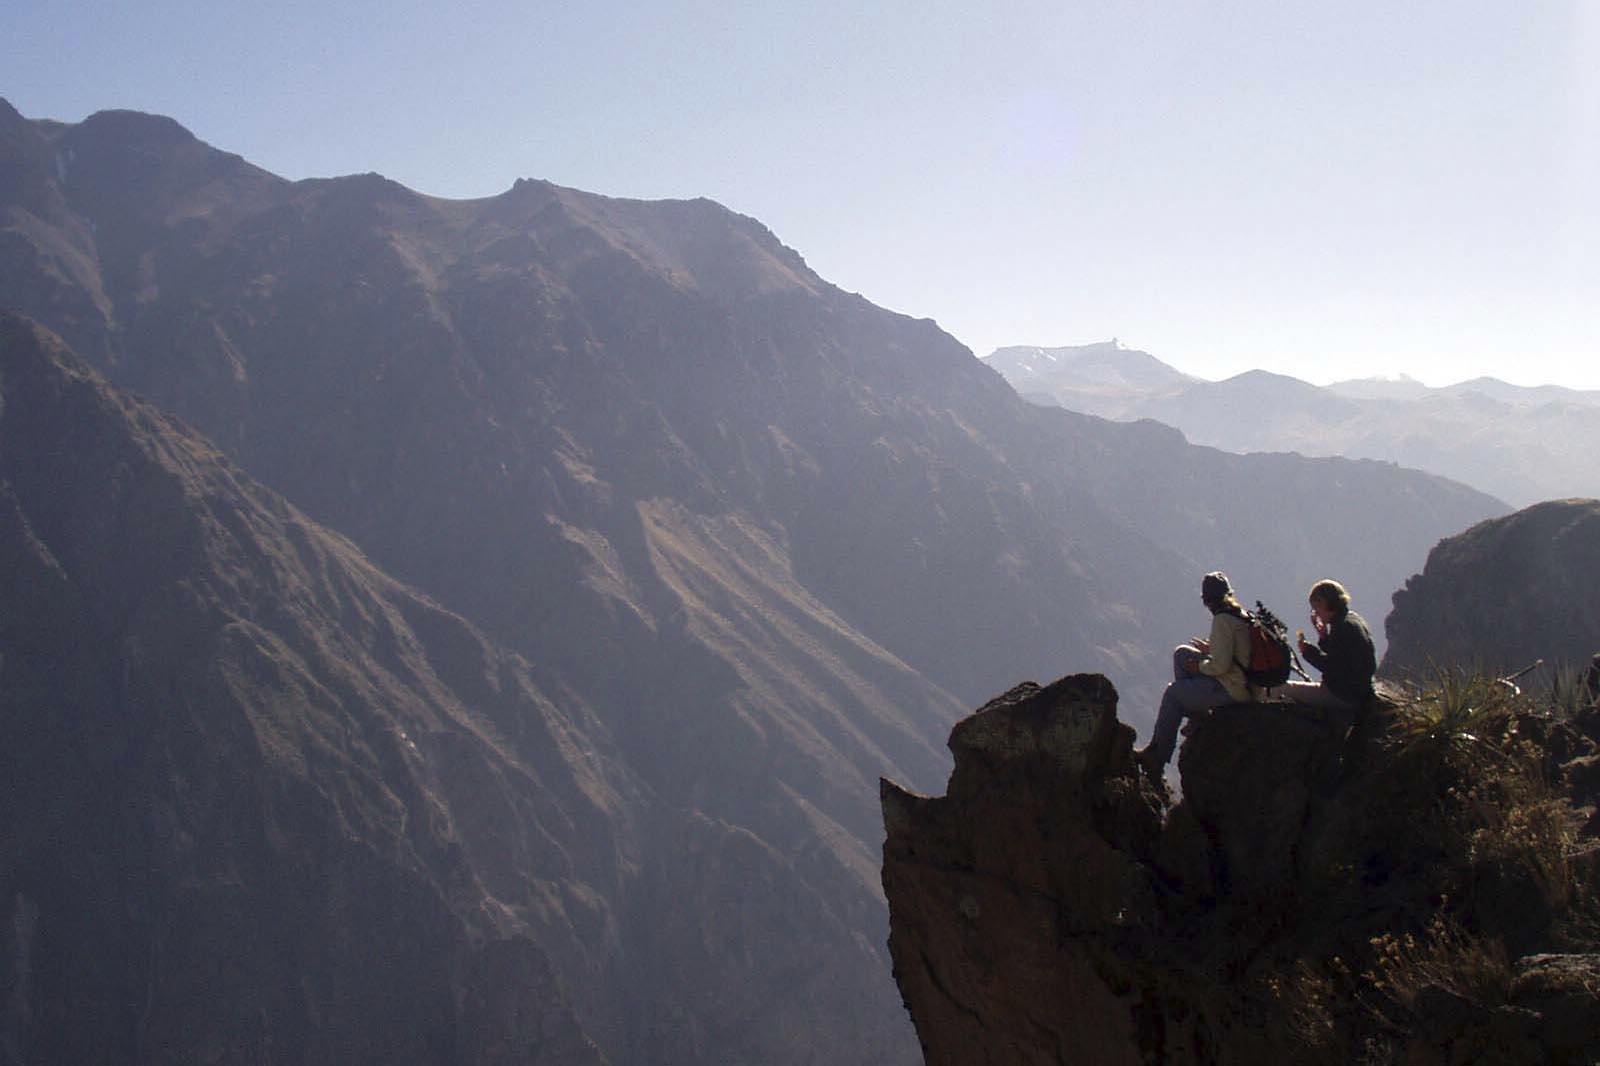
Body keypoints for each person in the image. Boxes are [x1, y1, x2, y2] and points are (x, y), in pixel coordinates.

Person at [1136, 571, 1254, 778]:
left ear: (1207, 600)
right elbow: (1234, 654)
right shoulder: (1240, 615)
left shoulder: (1222, 620)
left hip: (1233, 688)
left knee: (1173, 695)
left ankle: (1157, 756)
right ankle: (1197, 715)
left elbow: (1220, 667)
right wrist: (1211, 650)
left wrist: (1198, 668)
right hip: (1243, 681)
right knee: (1182, 654)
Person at [1269, 579, 1376, 718]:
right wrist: (1324, 637)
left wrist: (1308, 653)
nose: (1316, 614)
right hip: (1359, 692)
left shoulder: (1342, 627)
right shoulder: (1352, 620)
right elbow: (1344, 656)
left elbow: (1333, 667)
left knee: (1278, 689)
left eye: (1315, 608)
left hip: (1342, 695)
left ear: (1323, 602)